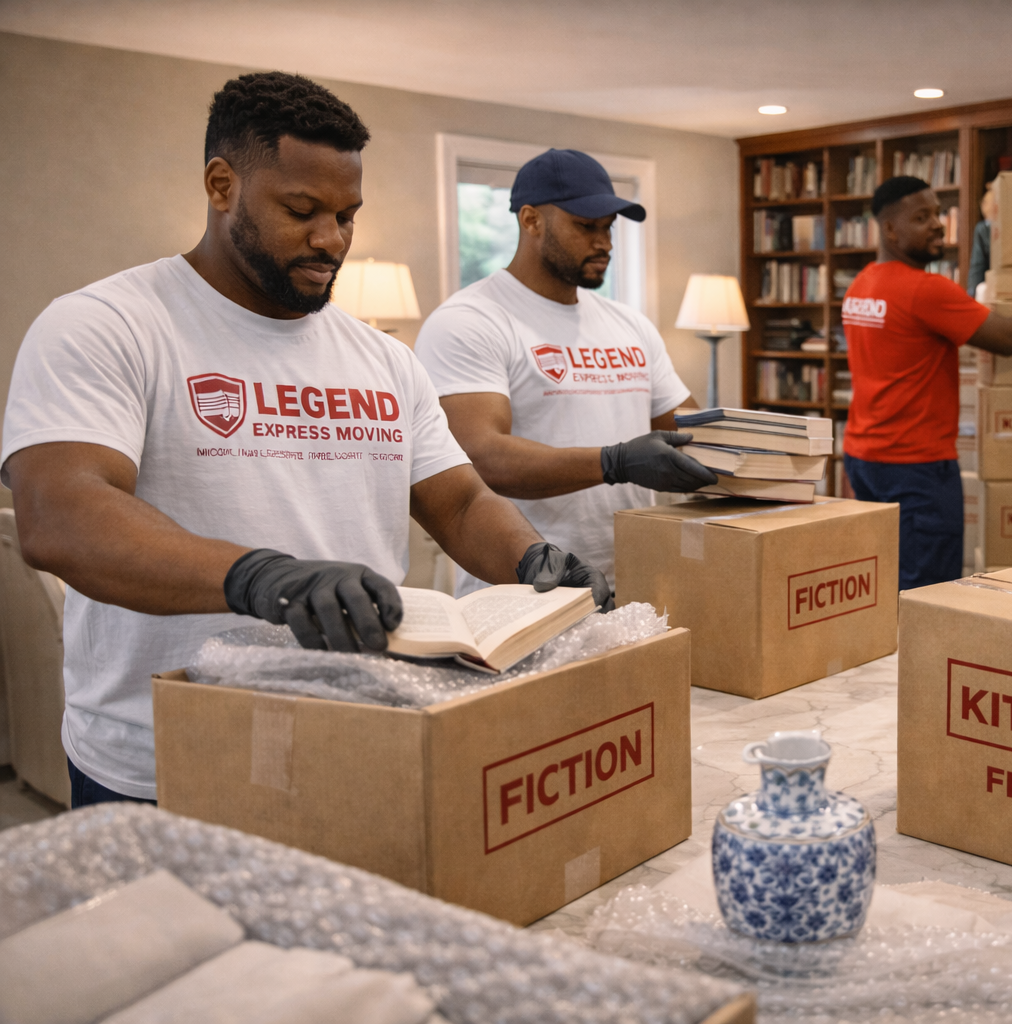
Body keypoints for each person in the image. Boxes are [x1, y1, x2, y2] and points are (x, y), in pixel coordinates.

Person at [1, 73, 609, 809]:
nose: (333, 239)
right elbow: (59, 514)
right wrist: (261, 577)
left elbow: (456, 503)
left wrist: (530, 557)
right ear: (221, 185)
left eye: (348, 214)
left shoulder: (383, 358)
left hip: (362, 733)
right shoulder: (109, 324)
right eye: (302, 211)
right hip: (164, 762)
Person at [414, 149, 714, 596]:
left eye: (609, 228)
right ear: (531, 220)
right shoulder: (471, 320)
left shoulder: (629, 325)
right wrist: (614, 462)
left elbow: (690, 434)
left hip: (635, 578)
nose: (605, 243)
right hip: (527, 586)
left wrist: (769, 451)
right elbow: (481, 457)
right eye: (586, 226)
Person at [841, 175, 1012, 589]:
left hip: (863, 457)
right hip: (916, 467)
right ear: (890, 229)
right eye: (922, 217)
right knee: (929, 588)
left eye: (938, 214)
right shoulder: (924, 290)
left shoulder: (860, 286)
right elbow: (1006, 338)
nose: (938, 225)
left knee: (882, 573)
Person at [965, 179, 998, 297]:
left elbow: (977, 266)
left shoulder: (984, 228)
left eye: (985, 202)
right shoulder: (983, 228)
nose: (982, 205)